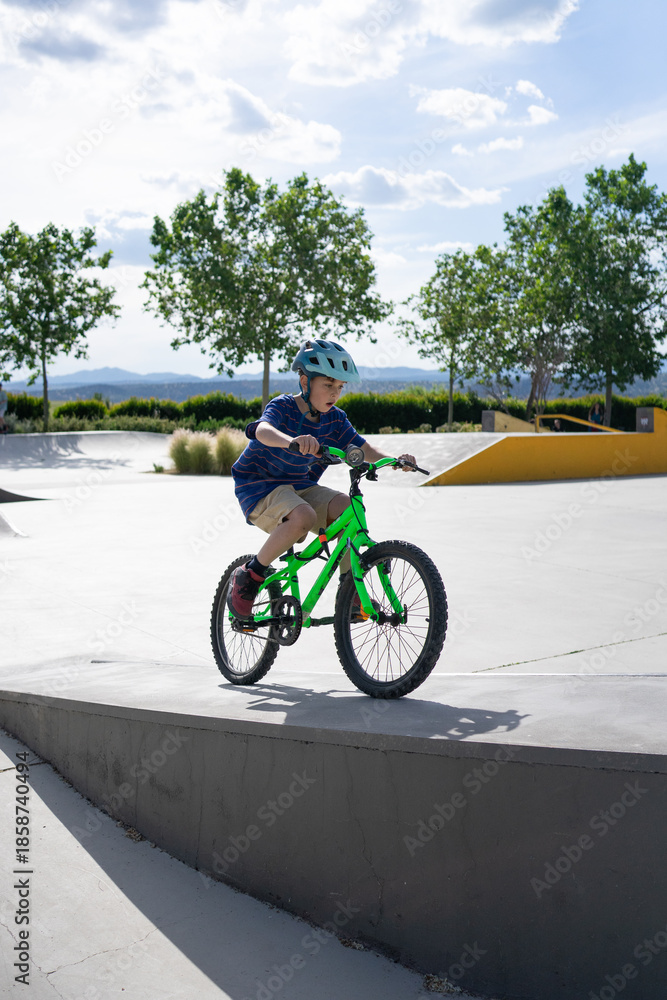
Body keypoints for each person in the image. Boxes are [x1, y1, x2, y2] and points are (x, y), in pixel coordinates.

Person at [228, 339, 417, 620]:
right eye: (328, 385)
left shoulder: (335, 419)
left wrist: (394, 460)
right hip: (259, 486)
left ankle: (349, 595)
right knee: (302, 515)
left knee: (348, 508)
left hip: (300, 487)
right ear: (305, 382)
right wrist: (291, 441)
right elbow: (262, 430)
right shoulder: (283, 407)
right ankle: (250, 576)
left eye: (340, 387)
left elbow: (363, 449)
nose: (335, 393)